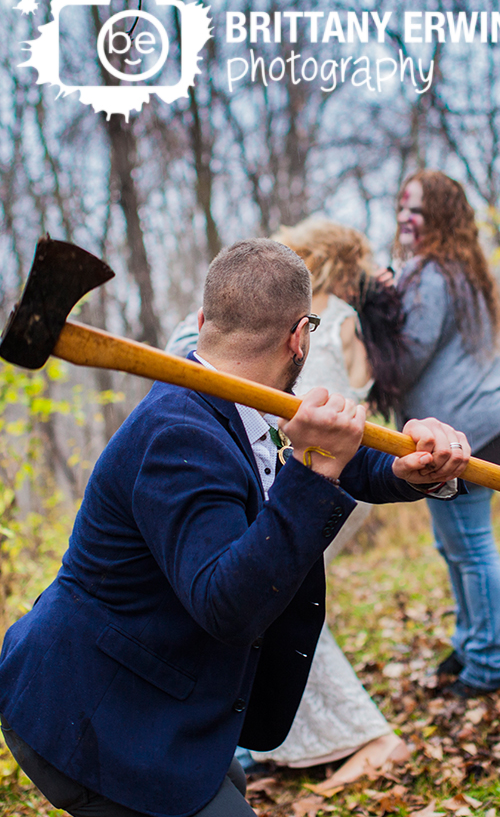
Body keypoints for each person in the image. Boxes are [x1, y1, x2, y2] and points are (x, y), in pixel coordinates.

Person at [0, 239, 470, 817]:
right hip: (87, 712)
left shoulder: (254, 402)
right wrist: (311, 473)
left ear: (203, 322)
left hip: (160, 701)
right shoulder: (180, 433)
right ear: (300, 336)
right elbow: (229, 606)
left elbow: (333, 457)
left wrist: (407, 467)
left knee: (225, 786)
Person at [239, 219, 407, 790]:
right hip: (314, 471)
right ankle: (283, 736)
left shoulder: (320, 324)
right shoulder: (337, 323)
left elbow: (332, 406)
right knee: (282, 595)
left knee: (282, 592)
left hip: (323, 472)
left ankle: (366, 735)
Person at [384, 170, 500, 697]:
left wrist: (368, 329)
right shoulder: (450, 267)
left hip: (467, 433)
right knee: (456, 546)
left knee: (468, 546)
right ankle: (473, 642)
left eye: (416, 208)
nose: (404, 216)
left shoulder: (432, 273)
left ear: (440, 216)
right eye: (401, 205)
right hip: (477, 424)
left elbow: (406, 357)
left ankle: (492, 665)